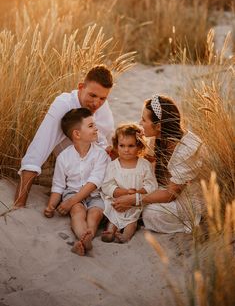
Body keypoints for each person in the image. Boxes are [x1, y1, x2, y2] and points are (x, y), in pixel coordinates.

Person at [14, 65, 114, 208]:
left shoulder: (102, 105)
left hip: (101, 173)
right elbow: (37, 151)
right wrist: (18, 205)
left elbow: (109, 142)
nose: (97, 103)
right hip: (74, 177)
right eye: (92, 95)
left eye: (103, 98)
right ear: (81, 87)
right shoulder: (64, 105)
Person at [112, 95, 205, 234]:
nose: (140, 123)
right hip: (163, 187)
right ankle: (120, 221)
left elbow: (170, 194)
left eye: (144, 120)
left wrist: (134, 199)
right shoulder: (158, 139)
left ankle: (131, 220)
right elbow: (145, 162)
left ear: (159, 125)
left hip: (185, 200)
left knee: (151, 212)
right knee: (129, 185)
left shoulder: (187, 150)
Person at [44, 108, 110, 256]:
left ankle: (87, 237)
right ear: (77, 134)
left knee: (95, 214)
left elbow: (95, 182)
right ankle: (83, 237)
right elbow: (59, 185)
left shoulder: (100, 154)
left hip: (95, 194)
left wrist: (69, 202)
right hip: (72, 192)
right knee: (77, 211)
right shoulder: (64, 157)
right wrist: (51, 205)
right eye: (91, 126)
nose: (96, 128)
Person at [101, 124, 157, 243]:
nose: (126, 150)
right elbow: (107, 186)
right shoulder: (113, 166)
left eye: (131, 146)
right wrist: (125, 192)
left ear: (139, 146)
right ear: (116, 146)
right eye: (122, 146)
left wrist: (137, 193)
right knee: (113, 216)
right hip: (117, 201)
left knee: (132, 221)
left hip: (135, 204)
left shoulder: (144, 165)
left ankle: (125, 236)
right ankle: (110, 231)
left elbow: (151, 185)